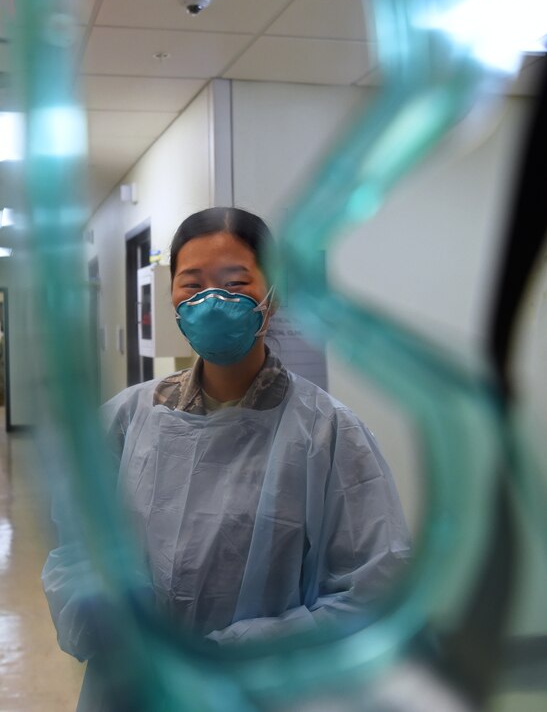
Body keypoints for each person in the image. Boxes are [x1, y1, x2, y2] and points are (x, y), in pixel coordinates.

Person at [43, 206, 411, 709]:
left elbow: (371, 591)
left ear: (273, 296)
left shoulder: (328, 434)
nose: (212, 302)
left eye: (235, 283)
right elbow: (76, 551)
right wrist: (112, 626)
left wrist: (237, 655)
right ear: (171, 295)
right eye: (191, 283)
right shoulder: (127, 420)